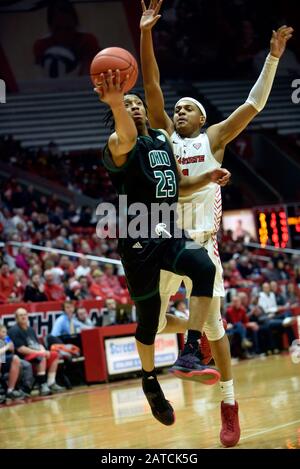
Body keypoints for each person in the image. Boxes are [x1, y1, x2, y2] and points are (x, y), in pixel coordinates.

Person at [139, 0, 293, 447]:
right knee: (145, 322)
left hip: (202, 244)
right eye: (179, 109)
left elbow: (253, 104)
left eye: (189, 108)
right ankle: (181, 350)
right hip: (165, 241)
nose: (181, 111)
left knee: (215, 328)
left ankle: (228, 403)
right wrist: (146, 33)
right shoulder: (164, 137)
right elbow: (151, 84)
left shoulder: (214, 139)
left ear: (204, 118)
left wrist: (273, 57)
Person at [94, 68, 230, 427]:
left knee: (204, 267)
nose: (135, 106)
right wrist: (115, 103)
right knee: (149, 320)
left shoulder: (159, 138)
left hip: (167, 229)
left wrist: (207, 176)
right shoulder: (119, 143)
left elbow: (178, 186)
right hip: (137, 236)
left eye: (137, 102)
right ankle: (150, 380)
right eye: (127, 104)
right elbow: (125, 131)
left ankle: (190, 351)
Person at [8, 308, 65, 396]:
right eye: (21, 315)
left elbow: (38, 344)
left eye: (25, 314)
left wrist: (43, 350)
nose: (23, 317)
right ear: (16, 318)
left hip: (34, 354)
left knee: (54, 355)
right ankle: (42, 385)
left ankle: (51, 382)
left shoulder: (30, 329)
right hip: (23, 357)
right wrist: (39, 353)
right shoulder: (14, 330)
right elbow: (21, 349)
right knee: (41, 356)